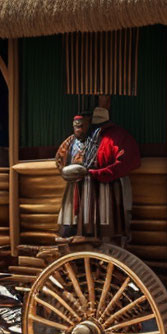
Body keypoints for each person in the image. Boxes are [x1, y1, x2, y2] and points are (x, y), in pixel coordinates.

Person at [55, 99, 141, 242]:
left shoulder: (117, 135)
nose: (78, 128)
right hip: (84, 185)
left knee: (106, 220)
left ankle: (108, 249)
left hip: (108, 185)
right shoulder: (81, 138)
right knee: (85, 219)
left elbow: (128, 161)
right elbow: (62, 157)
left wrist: (100, 173)